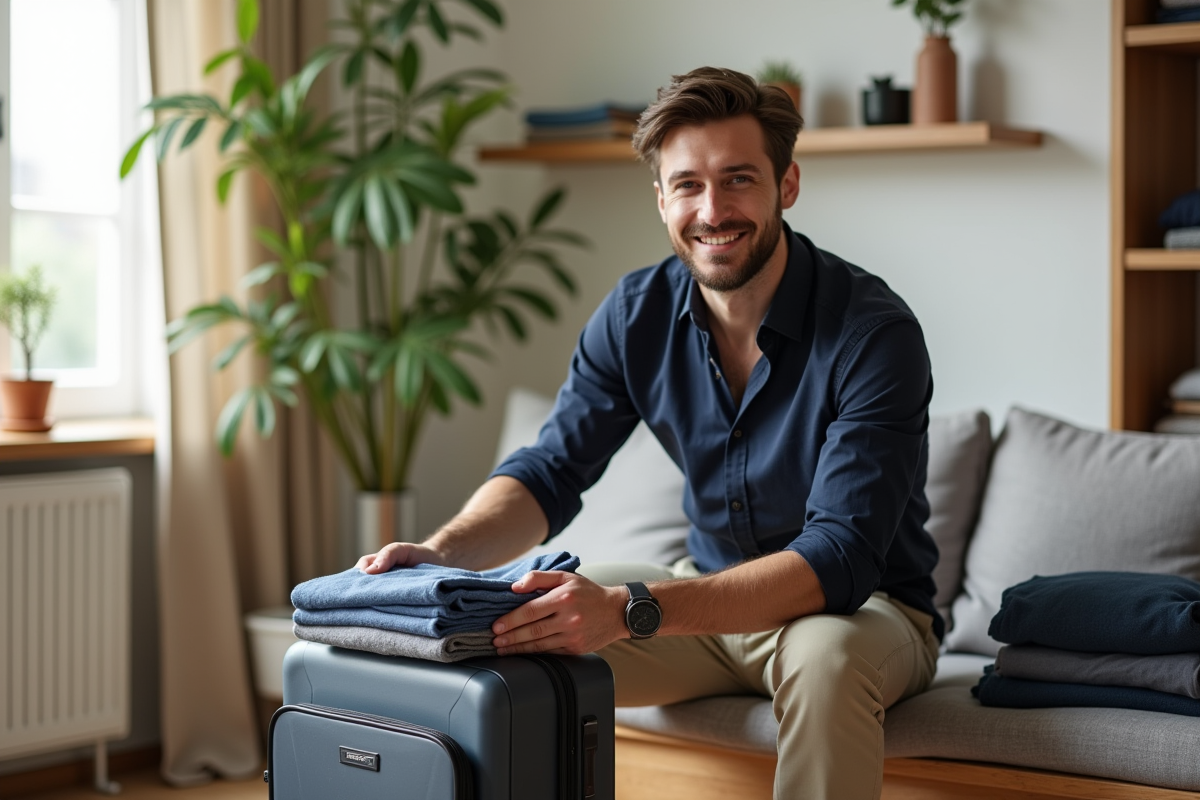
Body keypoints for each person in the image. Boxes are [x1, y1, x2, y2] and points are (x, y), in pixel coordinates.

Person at [356, 66, 942, 800]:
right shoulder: (635, 314)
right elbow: (551, 470)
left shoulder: (873, 333)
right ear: (662, 198)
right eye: (688, 184)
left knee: (826, 662)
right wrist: (440, 554)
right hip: (704, 598)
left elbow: (837, 558)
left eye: (738, 180)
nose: (713, 210)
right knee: (503, 626)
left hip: (859, 611)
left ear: (787, 184)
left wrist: (630, 608)